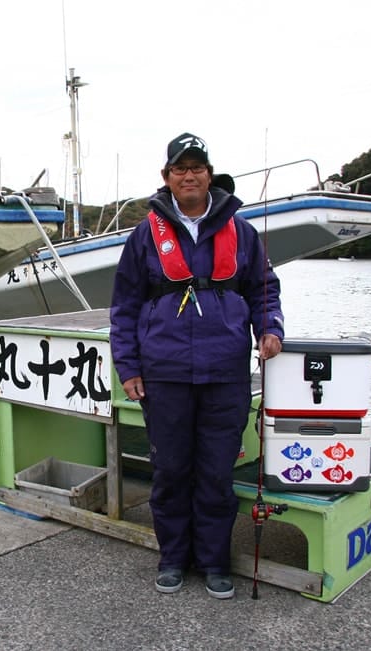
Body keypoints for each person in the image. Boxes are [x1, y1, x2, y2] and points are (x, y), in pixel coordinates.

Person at [109, 132, 284, 598]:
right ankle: (172, 557)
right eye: (180, 168)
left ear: (209, 174)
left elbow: (264, 289)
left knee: (216, 471)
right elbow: (124, 305)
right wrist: (128, 367)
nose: (189, 175)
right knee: (169, 470)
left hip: (225, 372)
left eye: (197, 167)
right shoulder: (145, 234)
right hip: (162, 371)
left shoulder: (242, 230)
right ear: (167, 178)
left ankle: (213, 561)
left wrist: (271, 330)